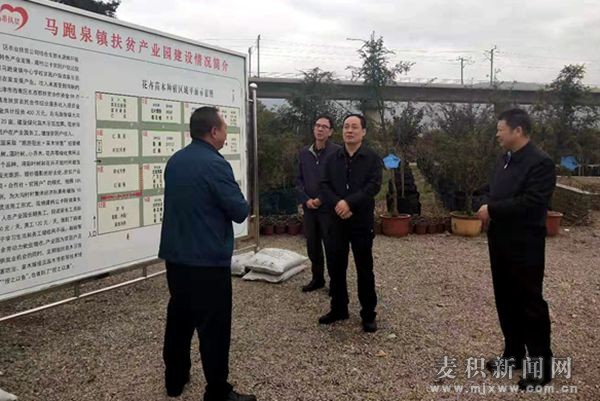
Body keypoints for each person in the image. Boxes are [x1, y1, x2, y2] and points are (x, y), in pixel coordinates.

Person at [158, 106, 256, 401]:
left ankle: (175, 379)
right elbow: (239, 211)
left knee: (180, 317)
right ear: (213, 131)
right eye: (224, 128)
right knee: (214, 328)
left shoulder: (175, 161)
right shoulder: (215, 164)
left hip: (176, 257)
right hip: (207, 261)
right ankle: (217, 391)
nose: (226, 134)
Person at [476, 108, 556, 390]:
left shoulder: (540, 163)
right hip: (500, 240)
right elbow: (495, 189)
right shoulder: (506, 159)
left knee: (529, 303)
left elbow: (531, 202)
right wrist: (483, 199)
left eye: (501, 129)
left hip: (525, 244)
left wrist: (492, 209)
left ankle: (541, 367)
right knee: (505, 299)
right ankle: (513, 354)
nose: (497, 134)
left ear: (518, 130)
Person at [318, 113, 382, 332]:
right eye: (346, 126)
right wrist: (338, 203)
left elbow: (373, 186)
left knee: (364, 268)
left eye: (354, 127)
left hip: (361, 221)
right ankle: (338, 308)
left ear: (363, 131)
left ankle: (368, 313)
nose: (349, 130)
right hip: (336, 220)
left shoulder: (371, 158)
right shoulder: (332, 157)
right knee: (336, 267)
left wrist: (349, 203)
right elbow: (324, 185)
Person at [296, 116, 341, 292]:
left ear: (330, 131)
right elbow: (298, 179)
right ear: (313, 129)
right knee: (312, 245)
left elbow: (338, 180)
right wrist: (306, 199)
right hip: (309, 209)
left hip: (328, 208)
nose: (320, 129)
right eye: (317, 126)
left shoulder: (337, 152)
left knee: (331, 246)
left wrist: (322, 198)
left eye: (324, 127)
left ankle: (335, 282)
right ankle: (317, 279)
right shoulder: (304, 153)